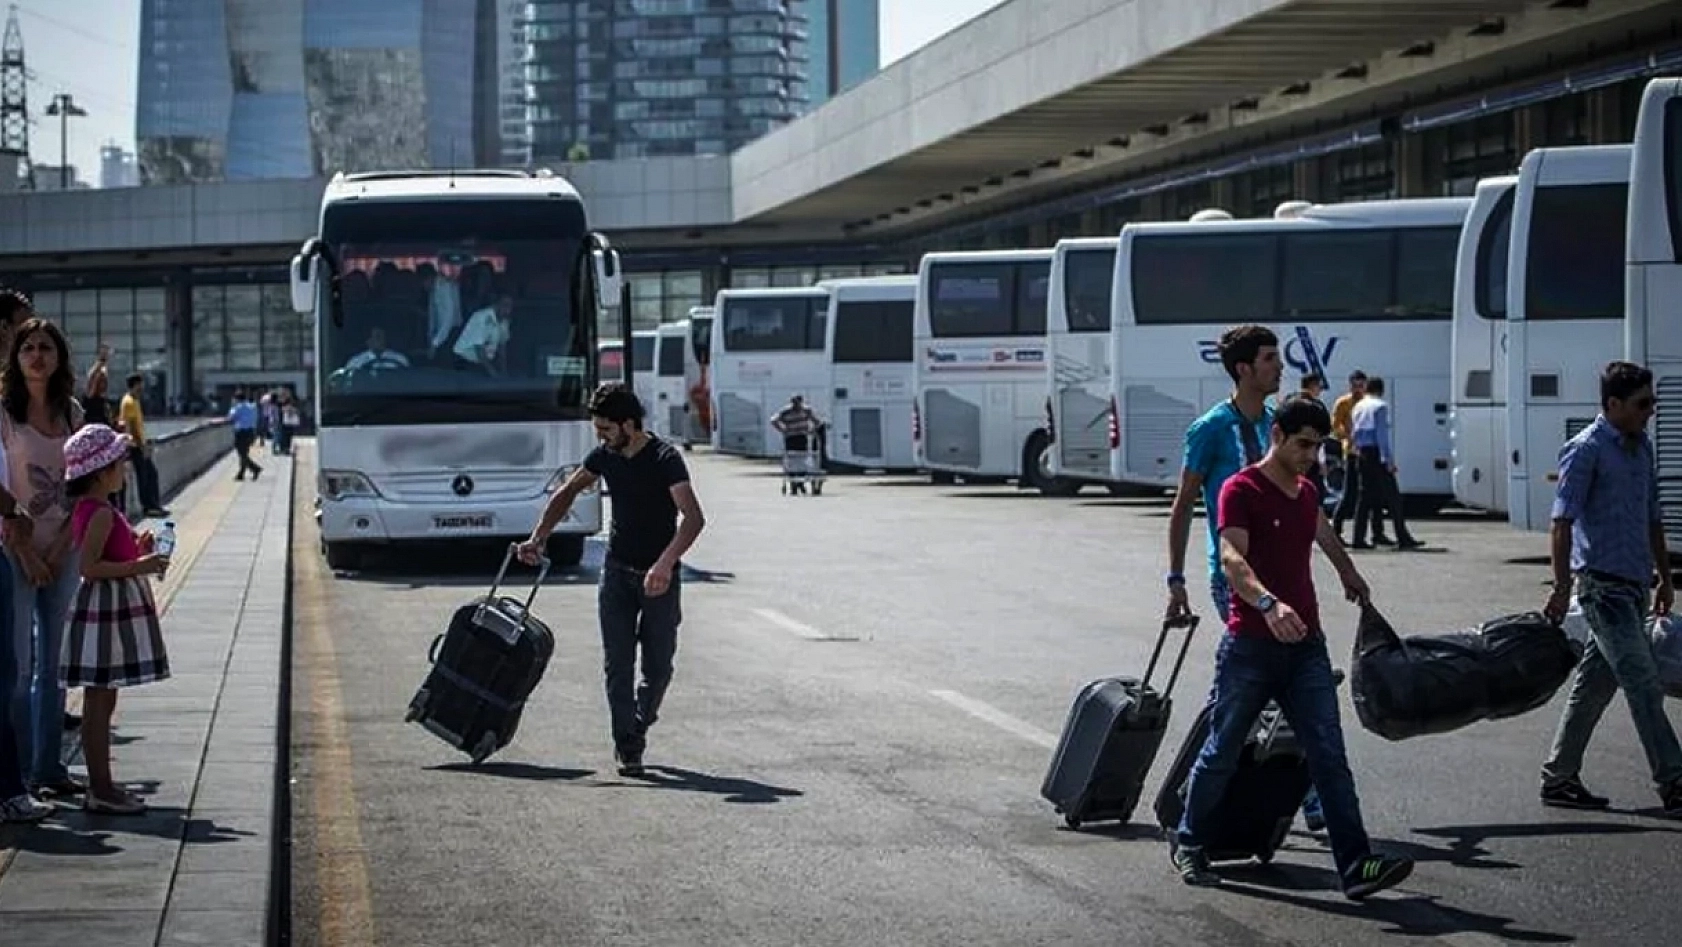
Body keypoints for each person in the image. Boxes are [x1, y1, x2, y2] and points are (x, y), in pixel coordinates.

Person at [1171, 395, 1414, 899]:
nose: (1310, 455)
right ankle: (1190, 842)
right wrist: (1267, 604)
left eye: (1318, 446)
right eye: (1303, 444)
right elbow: (1233, 558)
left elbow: (1321, 530)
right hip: (1250, 647)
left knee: (1328, 756)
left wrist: (1349, 572)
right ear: (1277, 436)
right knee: (1223, 750)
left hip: (1306, 648)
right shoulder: (1241, 489)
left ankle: (1356, 866)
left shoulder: (1305, 492)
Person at [1164, 325, 1328, 831]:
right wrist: (1175, 579)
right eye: (1270, 358)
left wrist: (1344, 566)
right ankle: (1312, 799)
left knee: (1245, 692)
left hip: (1285, 575)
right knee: (1281, 685)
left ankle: (1194, 791)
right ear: (1244, 369)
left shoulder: (1280, 426)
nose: (1280, 367)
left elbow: (1305, 502)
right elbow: (1183, 505)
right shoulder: (1211, 429)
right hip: (1234, 576)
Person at [517, 383, 705, 777]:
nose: (601, 437)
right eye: (597, 429)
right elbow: (567, 492)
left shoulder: (665, 458)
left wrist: (664, 564)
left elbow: (693, 518)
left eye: (606, 429)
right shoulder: (605, 456)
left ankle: (640, 721)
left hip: (659, 579)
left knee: (658, 668)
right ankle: (627, 745)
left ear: (629, 425)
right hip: (617, 575)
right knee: (617, 665)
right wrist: (538, 537)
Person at [1539, 361, 1682, 817]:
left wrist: (1665, 578)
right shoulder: (1586, 450)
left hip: (1635, 588)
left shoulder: (1642, 449)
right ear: (1613, 404)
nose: (1651, 411)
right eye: (1643, 403)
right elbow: (1561, 522)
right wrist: (1561, 587)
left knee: (1593, 688)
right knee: (1643, 683)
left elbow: (1653, 517)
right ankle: (1674, 781)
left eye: (1652, 402)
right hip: (1603, 591)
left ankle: (1559, 777)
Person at [60, 423, 171, 815]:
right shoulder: (101, 513)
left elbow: (106, 555)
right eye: (118, 463)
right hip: (106, 610)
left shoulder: (96, 510)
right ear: (100, 472)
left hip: (107, 609)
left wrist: (136, 548)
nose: (124, 468)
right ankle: (101, 789)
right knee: (99, 702)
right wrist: (141, 565)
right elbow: (90, 567)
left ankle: (102, 784)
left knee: (102, 700)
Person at [0, 318, 85, 797]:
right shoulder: (3, 414)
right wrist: (28, 551)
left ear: (59, 357)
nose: (37, 356)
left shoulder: (71, 412)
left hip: (65, 546)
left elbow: (83, 484)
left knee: (55, 664)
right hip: (15, 547)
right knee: (18, 664)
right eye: (28, 347)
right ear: (16, 359)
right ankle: (20, 775)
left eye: (46, 347)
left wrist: (59, 545)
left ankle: (48, 767)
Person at [1347, 376, 1422, 550]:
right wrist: (1388, 460)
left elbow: (1354, 432)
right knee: (1393, 497)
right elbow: (1382, 436)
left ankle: (1358, 538)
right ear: (1381, 390)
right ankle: (1403, 537)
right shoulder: (1380, 406)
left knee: (1364, 498)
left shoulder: (1358, 406)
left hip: (1362, 453)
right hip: (1376, 454)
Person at [1331, 370, 1386, 546]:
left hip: (1366, 451)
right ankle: (1336, 530)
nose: (1358, 389)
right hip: (1351, 452)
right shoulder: (1343, 403)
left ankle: (1378, 533)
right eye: (1355, 385)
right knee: (1350, 494)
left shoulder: (1367, 403)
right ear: (1350, 385)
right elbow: (1335, 426)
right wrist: (1347, 436)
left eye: (1361, 385)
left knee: (1375, 494)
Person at [117, 373, 167, 518]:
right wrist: (141, 446)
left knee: (150, 474)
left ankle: (153, 504)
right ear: (134, 385)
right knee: (145, 476)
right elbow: (131, 426)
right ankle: (149, 506)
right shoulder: (128, 402)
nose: (142, 388)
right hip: (134, 446)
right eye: (140, 385)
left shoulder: (135, 401)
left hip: (139, 444)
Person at [771, 394, 823, 495]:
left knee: (802, 459)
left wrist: (812, 429)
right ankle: (793, 484)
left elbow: (817, 421)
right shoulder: (786, 411)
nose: (796, 405)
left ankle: (800, 482)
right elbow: (773, 420)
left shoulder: (806, 410)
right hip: (790, 437)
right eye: (794, 403)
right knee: (791, 460)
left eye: (798, 403)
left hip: (802, 437)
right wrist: (782, 429)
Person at [227, 389, 263, 481]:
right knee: (244, 453)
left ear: (236, 399)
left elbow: (230, 418)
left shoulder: (237, 408)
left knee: (242, 454)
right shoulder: (252, 407)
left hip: (241, 433)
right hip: (251, 432)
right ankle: (241, 474)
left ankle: (255, 468)